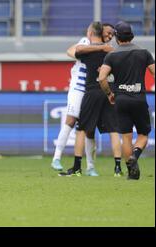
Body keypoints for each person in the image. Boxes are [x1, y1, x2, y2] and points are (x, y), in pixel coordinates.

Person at [52, 22, 122, 176]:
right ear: (99, 31)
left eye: (113, 34)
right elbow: (72, 51)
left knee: (85, 130)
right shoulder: (91, 44)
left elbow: (75, 52)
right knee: (75, 122)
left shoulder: (108, 50)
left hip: (93, 92)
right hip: (85, 90)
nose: (110, 36)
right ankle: (57, 158)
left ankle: (87, 166)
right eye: (108, 33)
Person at [98, 21, 155, 180]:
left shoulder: (112, 55)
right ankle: (134, 158)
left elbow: (102, 78)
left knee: (126, 138)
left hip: (120, 100)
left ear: (116, 37)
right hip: (139, 98)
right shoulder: (144, 52)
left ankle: (131, 173)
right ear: (132, 35)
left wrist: (109, 93)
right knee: (143, 134)